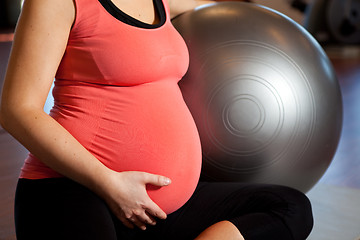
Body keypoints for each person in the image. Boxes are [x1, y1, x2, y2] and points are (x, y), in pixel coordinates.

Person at [0, 0, 313, 239]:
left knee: (289, 207)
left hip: (157, 211)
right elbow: (17, 109)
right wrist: (110, 183)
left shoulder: (160, 1)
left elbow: (214, 6)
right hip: (75, 190)